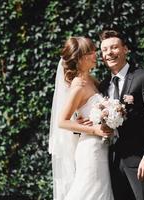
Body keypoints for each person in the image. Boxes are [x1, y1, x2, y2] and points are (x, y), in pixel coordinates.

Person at [98, 29, 144, 200]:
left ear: (125, 49)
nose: (109, 53)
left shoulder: (143, 78)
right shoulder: (104, 85)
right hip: (112, 161)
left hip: (140, 160)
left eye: (113, 47)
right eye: (104, 50)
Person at [48, 36, 114, 200]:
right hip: (91, 149)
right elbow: (62, 121)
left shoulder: (90, 79)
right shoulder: (78, 86)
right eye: (90, 53)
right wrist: (94, 129)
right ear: (78, 59)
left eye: (93, 51)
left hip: (102, 146)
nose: (95, 55)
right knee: (91, 192)